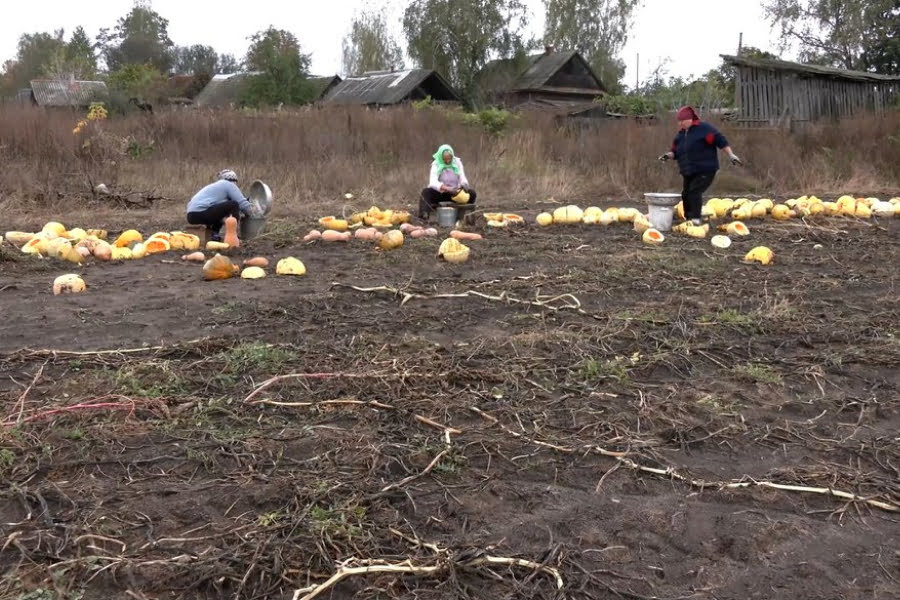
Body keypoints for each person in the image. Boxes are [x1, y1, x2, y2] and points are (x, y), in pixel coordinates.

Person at [658, 106, 743, 225]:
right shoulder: (680, 135)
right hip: (688, 171)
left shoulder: (704, 129)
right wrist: (668, 155)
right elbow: (675, 152)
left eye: (682, 120)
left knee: (694, 192)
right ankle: (689, 220)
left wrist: (731, 154)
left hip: (705, 169)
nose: (680, 123)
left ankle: (696, 220)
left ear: (690, 119)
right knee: (685, 194)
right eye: (679, 121)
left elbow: (721, 141)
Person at [186, 169, 252, 241]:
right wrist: (254, 212)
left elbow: (220, 208)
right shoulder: (228, 184)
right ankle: (233, 237)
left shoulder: (216, 187)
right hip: (201, 212)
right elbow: (242, 204)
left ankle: (213, 234)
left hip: (191, 215)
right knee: (234, 204)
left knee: (223, 209)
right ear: (234, 180)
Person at [419, 144, 477, 220]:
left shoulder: (457, 162)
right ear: (441, 157)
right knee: (426, 192)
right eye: (445, 159)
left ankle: (462, 213)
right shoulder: (436, 164)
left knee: (472, 193)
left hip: (455, 194)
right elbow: (433, 182)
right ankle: (424, 214)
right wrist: (447, 188)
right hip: (441, 193)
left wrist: (464, 185)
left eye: (449, 159)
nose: (447, 161)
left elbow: (462, 177)